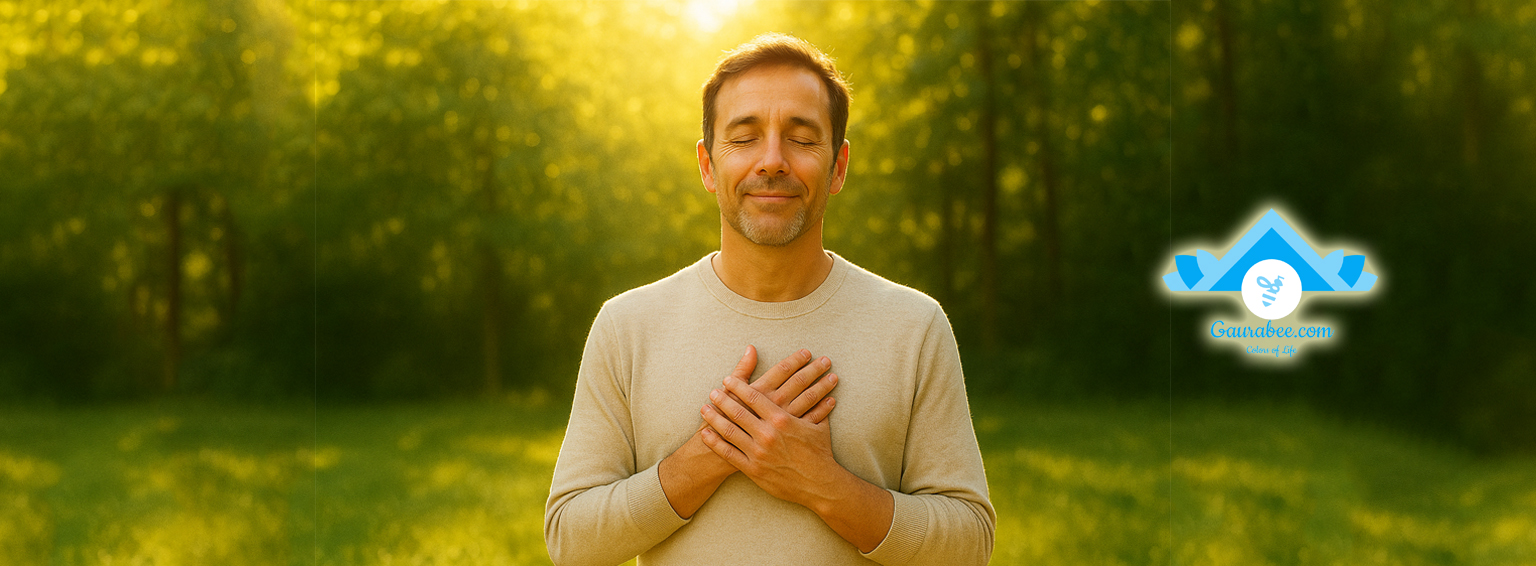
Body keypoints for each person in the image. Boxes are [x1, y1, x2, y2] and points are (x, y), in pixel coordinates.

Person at [544, 33, 994, 566]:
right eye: (745, 137)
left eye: (802, 138)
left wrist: (823, 484)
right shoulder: (628, 326)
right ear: (708, 165)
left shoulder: (914, 326)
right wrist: (712, 453)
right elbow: (570, 541)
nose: (773, 161)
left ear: (839, 165)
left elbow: (970, 545)